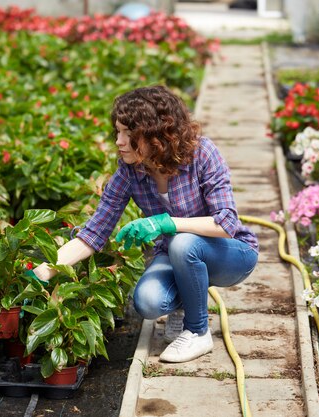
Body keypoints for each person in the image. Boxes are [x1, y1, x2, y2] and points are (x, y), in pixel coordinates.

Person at [31, 85, 258, 363]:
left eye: (129, 134)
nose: (119, 141)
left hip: (230, 252)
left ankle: (198, 332)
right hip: (176, 255)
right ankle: (187, 302)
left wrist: (167, 222)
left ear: (157, 135)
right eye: (118, 132)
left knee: (182, 241)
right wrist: (43, 271)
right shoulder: (131, 169)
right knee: (148, 301)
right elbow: (94, 232)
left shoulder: (202, 154)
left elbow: (226, 223)